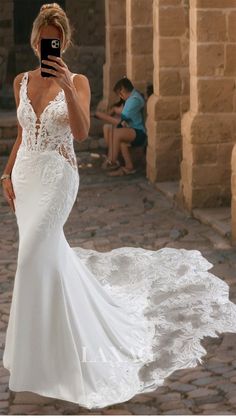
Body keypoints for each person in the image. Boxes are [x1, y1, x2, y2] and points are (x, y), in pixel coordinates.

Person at [1, 2, 236, 411]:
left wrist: (70, 90)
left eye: (54, 39)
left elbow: (81, 130)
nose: (47, 45)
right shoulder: (21, 80)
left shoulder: (78, 80)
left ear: (64, 41)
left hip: (58, 176)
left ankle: (49, 358)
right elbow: (23, 135)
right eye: (42, 39)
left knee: (34, 256)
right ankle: (39, 356)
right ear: (35, 40)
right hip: (25, 176)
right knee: (43, 259)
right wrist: (5, 173)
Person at [102, 77, 148, 176]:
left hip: (139, 133)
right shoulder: (131, 98)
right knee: (109, 129)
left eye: (120, 93)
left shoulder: (134, 100)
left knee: (116, 132)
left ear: (123, 90)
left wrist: (114, 112)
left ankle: (112, 161)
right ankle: (128, 167)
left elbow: (123, 116)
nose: (120, 97)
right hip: (132, 130)